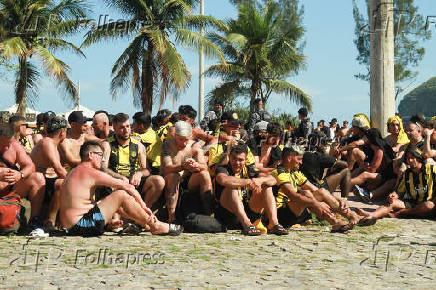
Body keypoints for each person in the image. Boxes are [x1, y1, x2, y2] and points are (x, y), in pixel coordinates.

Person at [60, 141, 182, 237]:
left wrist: (108, 220)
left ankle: (144, 223)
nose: (103, 160)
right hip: (81, 225)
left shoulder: (75, 171)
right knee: (121, 194)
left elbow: (83, 205)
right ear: (90, 155)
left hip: (72, 227)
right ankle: (155, 225)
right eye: (100, 155)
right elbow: (127, 187)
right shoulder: (89, 172)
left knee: (113, 200)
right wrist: (145, 208)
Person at [271, 145, 362, 232]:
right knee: (306, 194)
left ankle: (351, 216)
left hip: (296, 211)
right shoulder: (279, 173)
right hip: (281, 215)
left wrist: (338, 199)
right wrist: (317, 204)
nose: (301, 162)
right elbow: (293, 196)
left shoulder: (295, 173)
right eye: (299, 159)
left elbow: (315, 190)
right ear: (289, 158)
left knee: (321, 191)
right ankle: (335, 222)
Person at [214, 143, 288, 235]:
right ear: (229, 157)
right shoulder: (223, 168)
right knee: (231, 187)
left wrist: (260, 180)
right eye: (234, 159)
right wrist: (249, 182)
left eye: (240, 160)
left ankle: (273, 224)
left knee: (266, 186)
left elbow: (273, 180)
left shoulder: (249, 170)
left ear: (246, 160)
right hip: (229, 215)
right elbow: (222, 179)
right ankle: (247, 224)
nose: (236, 163)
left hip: (249, 211)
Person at [101, 113, 165, 211]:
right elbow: (103, 168)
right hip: (115, 181)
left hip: (133, 181)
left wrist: (139, 174)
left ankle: (144, 213)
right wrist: (120, 177)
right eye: (122, 127)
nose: (126, 130)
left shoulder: (139, 145)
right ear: (114, 128)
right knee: (109, 185)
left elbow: (146, 170)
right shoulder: (107, 144)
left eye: (128, 126)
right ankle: (116, 220)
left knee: (158, 181)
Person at [357, 145, 435, 220]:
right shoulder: (407, 173)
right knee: (392, 202)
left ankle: (401, 213)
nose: (410, 160)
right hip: (412, 203)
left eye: (412, 158)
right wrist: (393, 195)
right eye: (408, 158)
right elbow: (398, 192)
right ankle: (372, 215)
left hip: (428, 204)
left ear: (418, 158)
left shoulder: (432, 169)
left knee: (428, 205)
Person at [161, 121, 213, 222]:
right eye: (180, 139)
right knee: (174, 176)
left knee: (205, 175)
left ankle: (209, 215)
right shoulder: (167, 145)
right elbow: (167, 168)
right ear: (175, 136)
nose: (184, 143)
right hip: (171, 179)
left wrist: (196, 165)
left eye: (186, 140)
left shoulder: (194, 146)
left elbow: (204, 167)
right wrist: (183, 166)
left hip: (189, 180)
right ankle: (172, 217)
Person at [26, 116, 69, 230]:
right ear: (63, 132)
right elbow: (58, 168)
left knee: (61, 183)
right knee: (62, 183)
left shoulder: (52, 143)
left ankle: (50, 221)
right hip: (37, 182)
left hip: (43, 180)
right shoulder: (47, 142)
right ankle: (49, 221)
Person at [351, 128, 396, 201]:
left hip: (388, 176)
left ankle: (344, 184)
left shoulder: (379, 150)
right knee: (360, 170)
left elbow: (372, 169)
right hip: (381, 173)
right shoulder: (372, 148)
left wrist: (364, 166)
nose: (363, 138)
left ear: (369, 138)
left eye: (365, 137)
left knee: (365, 174)